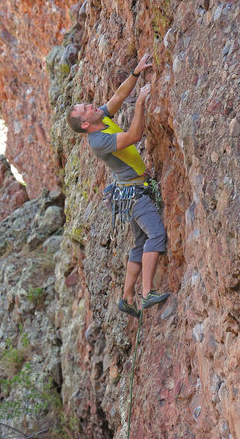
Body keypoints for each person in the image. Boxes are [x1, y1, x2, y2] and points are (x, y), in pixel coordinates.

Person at [66, 53, 169, 318]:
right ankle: (146, 294)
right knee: (155, 235)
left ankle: (127, 296)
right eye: (86, 108)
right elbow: (135, 135)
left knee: (141, 242)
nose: (92, 105)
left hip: (127, 193)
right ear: (86, 124)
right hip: (135, 194)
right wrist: (141, 104)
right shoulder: (99, 140)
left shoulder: (102, 117)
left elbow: (119, 96)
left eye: (87, 104)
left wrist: (135, 73)